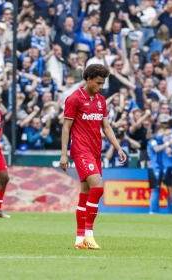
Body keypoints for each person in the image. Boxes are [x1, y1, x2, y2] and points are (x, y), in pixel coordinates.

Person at [60, 64, 127, 250]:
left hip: (96, 151)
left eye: (103, 83)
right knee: (97, 188)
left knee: (85, 194)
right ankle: (89, 235)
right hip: (81, 150)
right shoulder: (74, 99)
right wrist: (64, 154)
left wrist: (118, 147)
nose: (101, 86)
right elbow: (66, 128)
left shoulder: (100, 100)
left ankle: (79, 239)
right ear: (88, 79)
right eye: (98, 83)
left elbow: (106, 127)